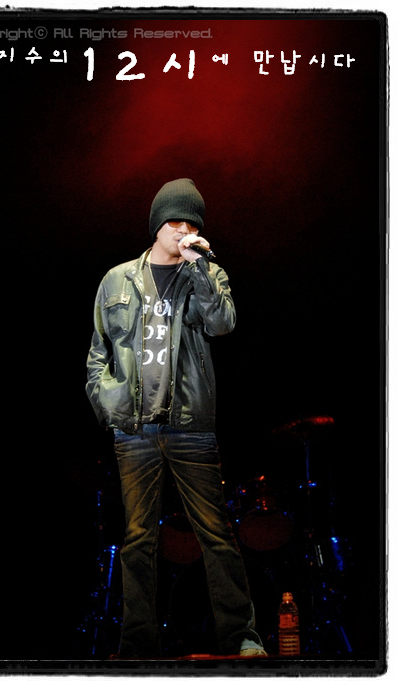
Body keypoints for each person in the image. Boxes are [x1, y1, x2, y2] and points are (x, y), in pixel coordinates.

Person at [86, 178, 266, 659]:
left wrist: (200, 267)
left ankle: (241, 637)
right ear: (156, 224)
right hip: (134, 430)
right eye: (175, 221)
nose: (184, 229)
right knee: (137, 539)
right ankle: (137, 645)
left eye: (192, 223)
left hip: (191, 425)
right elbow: (98, 351)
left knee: (216, 534)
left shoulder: (208, 273)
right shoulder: (117, 279)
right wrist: (106, 403)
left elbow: (222, 324)